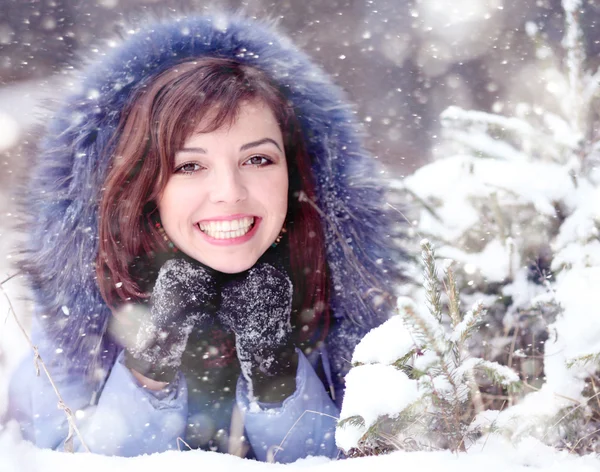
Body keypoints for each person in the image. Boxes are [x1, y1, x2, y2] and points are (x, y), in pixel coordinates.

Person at [5, 13, 400, 463]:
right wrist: (151, 361)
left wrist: (275, 369)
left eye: (257, 160)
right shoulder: (82, 310)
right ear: (144, 184)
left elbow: (370, 455)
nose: (230, 192)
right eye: (189, 166)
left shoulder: (342, 296)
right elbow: (52, 456)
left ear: (293, 171)